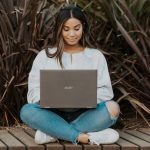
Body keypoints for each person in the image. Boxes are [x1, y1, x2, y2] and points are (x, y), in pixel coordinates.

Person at [20, 4, 120, 145]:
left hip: (86, 114)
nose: (72, 34)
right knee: (27, 111)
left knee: (113, 108)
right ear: (59, 29)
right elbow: (33, 93)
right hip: (52, 114)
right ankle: (81, 136)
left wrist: (85, 98)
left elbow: (106, 92)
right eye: (66, 29)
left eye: (76, 28)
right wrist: (49, 99)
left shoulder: (95, 56)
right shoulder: (45, 56)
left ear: (83, 27)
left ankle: (54, 133)